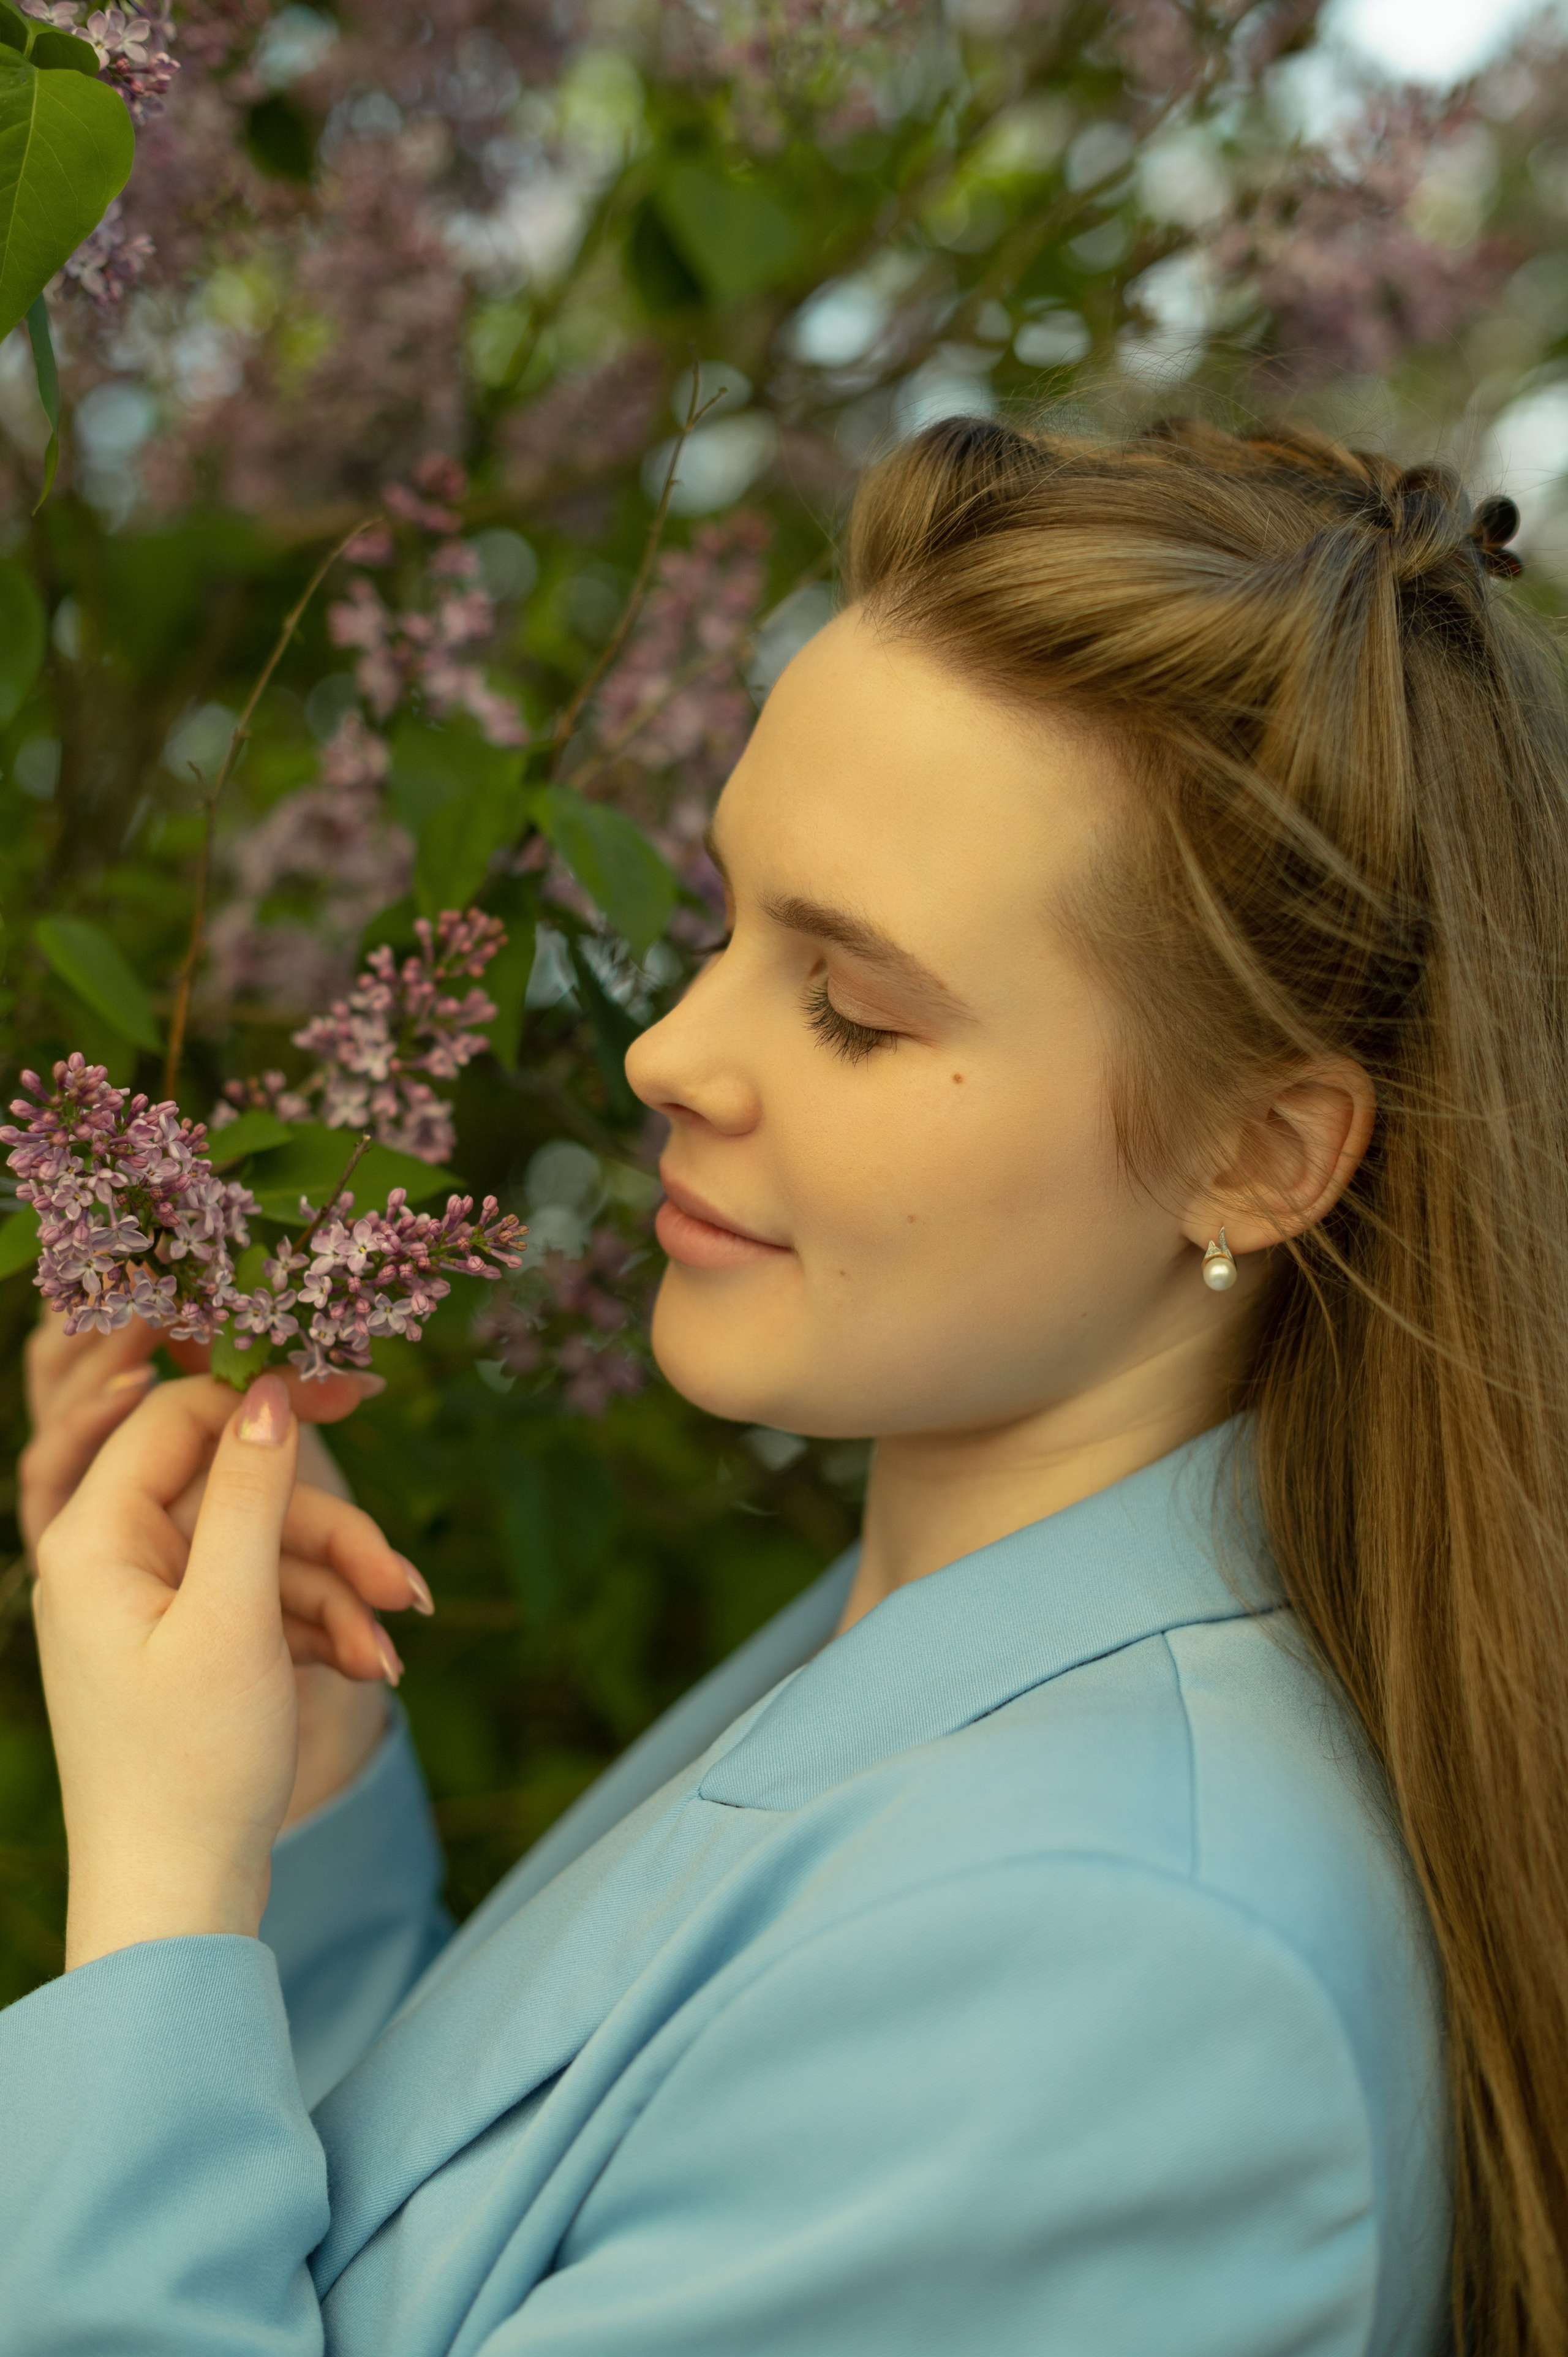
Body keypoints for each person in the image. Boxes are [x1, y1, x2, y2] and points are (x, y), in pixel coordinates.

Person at [2, 415, 1562, 2356]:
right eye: (725, 925)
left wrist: (149, 1900)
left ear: (1257, 1152)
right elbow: (486, 2248)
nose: (665, 1049)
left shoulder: (1125, 1967)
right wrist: (290, 1807)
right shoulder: (937, 1652)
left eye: (856, 1006)